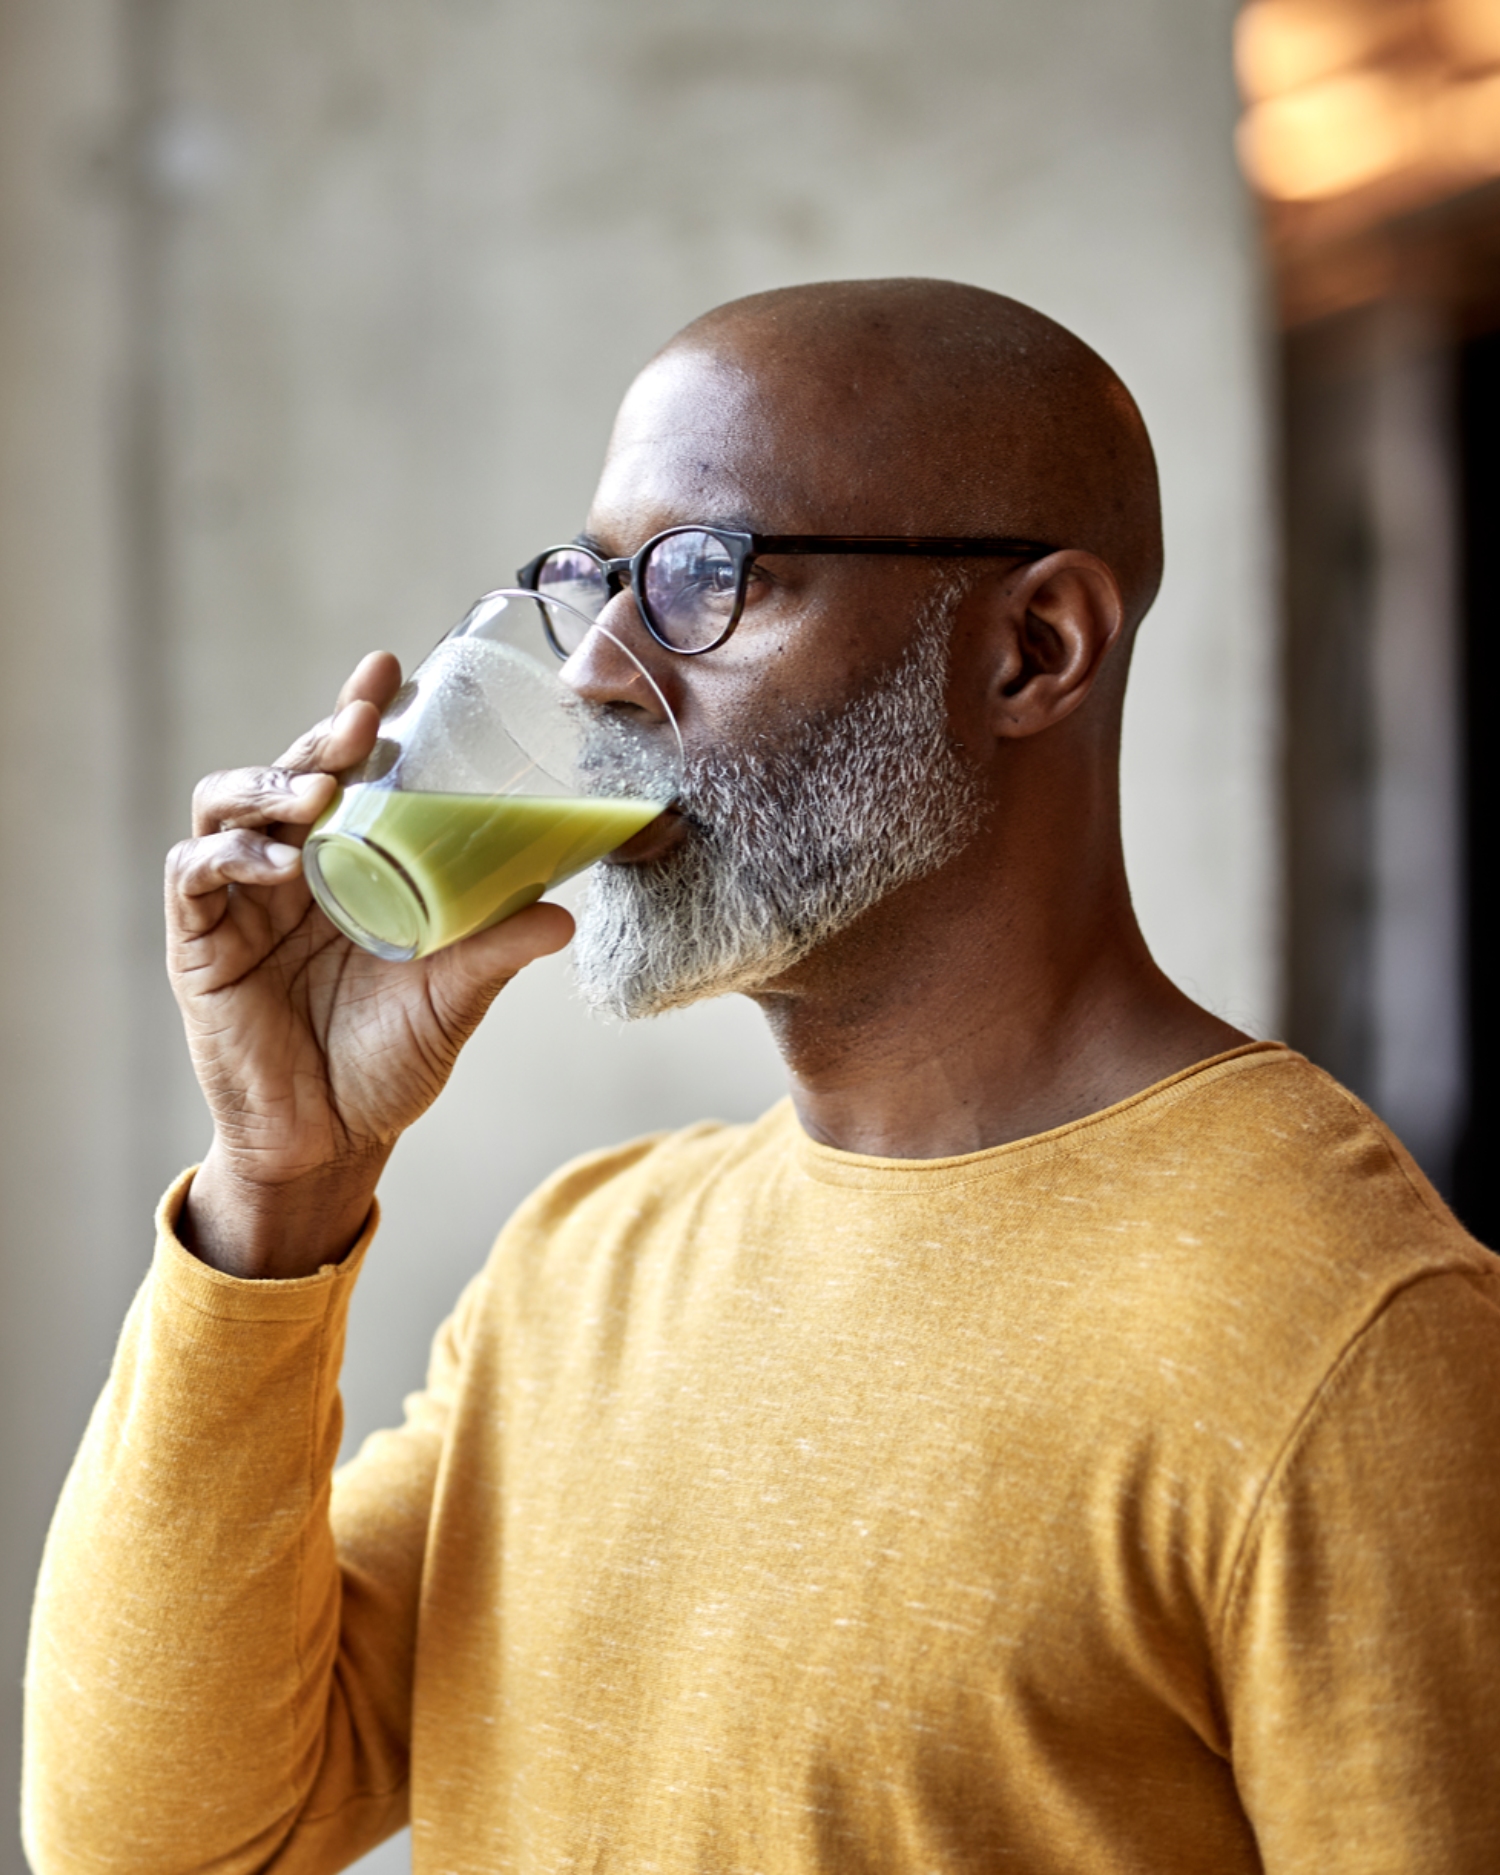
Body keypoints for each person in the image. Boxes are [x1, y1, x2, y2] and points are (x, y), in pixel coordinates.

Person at [22, 279, 1500, 1874]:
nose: (594, 672)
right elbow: (151, 1841)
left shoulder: (1343, 1327)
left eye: (700, 577)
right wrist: (281, 1184)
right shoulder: (581, 1269)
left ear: (1032, 649)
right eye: (593, 583)